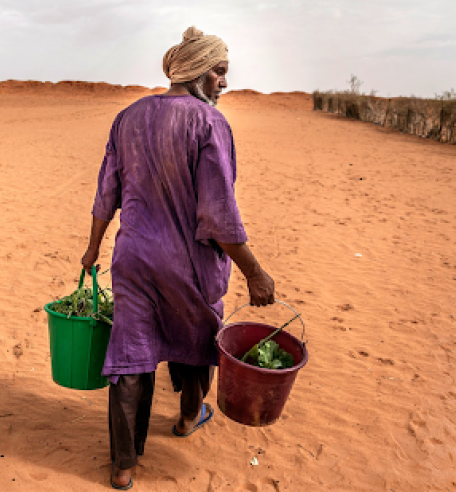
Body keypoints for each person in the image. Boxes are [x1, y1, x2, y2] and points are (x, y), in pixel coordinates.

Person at [81, 26, 276, 489]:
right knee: (198, 336)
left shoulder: (128, 116)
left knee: (132, 351)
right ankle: (189, 417)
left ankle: (124, 466)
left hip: (132, 258)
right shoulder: (209, 123)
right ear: (197, 72)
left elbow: (105, 192)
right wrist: (255, 272)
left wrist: (92, 249)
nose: (224, 83)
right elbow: (218, 214)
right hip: (187, 264)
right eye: (220, 72)